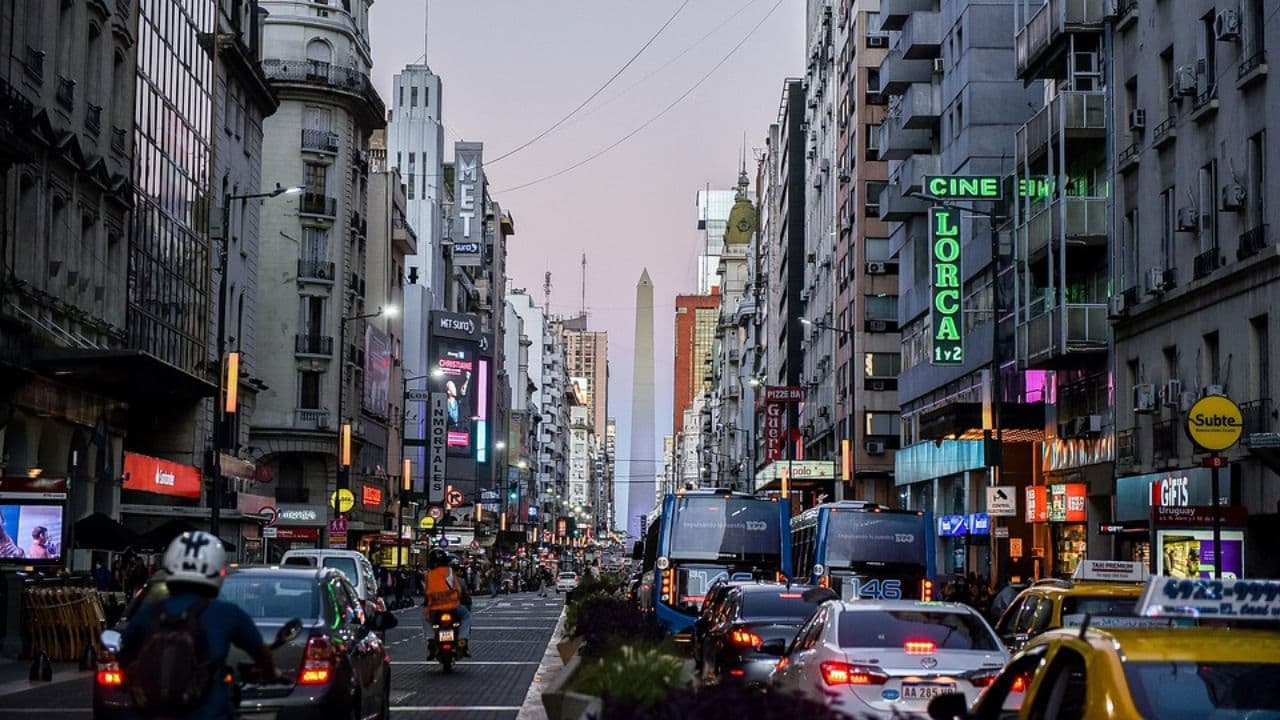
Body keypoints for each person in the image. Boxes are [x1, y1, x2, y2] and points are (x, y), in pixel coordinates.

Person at [118, 531, 281, 720]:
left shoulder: (148, 613)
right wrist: (271, 673)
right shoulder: (226, 613)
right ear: (219, 572)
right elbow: (261, 653)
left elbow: (125, 656)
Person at [423, 549, 470, 657]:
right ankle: (462, 639)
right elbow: (458, 589)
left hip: (435, 608)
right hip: (453, 606)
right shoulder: (449, 571)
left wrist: (427, 603)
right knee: (466, 616)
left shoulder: (429, 575)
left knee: (425, 618)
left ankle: (431, 639)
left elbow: (426, 592)